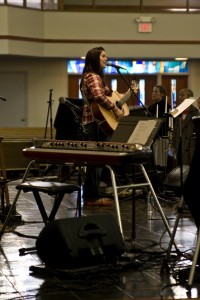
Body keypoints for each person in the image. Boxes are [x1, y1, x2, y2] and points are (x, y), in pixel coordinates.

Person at [80, 46, 125, 207]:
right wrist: (114, 109)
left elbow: (108, 93)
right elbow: (99, 96)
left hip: (94, 122)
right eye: (103, 56)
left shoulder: (93, 76)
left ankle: (92, 195)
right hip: (96, 123)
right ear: (95, 59)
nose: (106, 59)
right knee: (96, 161)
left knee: (96, 161)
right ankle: (92, 197)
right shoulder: (93, 76)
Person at [172, 88, 200, 166]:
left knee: (187, 164)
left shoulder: (195, 111)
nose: (180, 97)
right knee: (179, 163)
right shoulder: (178, 110)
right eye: (179, 95)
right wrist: (173, 142)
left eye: (182, 95)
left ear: (189, 98)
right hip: (179, 141)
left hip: (189, 142)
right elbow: (175, 127)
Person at [148, 85, 171, 171]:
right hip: (152, 137)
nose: (153, 94)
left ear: (162, 94)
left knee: (160, 161)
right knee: (153, 161)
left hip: (161, 137)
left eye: (156, 92)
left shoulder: (166, 107)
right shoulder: (151, 107)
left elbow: (166, 123)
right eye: (153, 92)